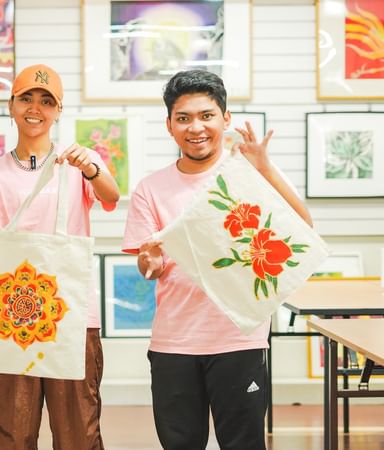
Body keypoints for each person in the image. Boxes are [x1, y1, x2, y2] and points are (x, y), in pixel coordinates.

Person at [121, 69, 313, 450]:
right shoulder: (150, 188)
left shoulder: (249, 172)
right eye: (183, 118)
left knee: (243, 444)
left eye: (206, 115)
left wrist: (265, 168)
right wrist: (150, 260)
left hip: (240, 338)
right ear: (169, 126)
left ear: (225, 119)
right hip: (174, 344)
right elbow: (148, 268)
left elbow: (304, 226)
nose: (196, 127)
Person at [0, 64, 120, 450]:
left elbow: (111, 196)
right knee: (12, 431)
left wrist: (91, 168)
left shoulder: (77, 165)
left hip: (72, 315)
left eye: (46, 101)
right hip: (10, 316)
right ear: (11, 105)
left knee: (79, 432)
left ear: (58, 110)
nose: (35, 108)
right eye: (26, 98)